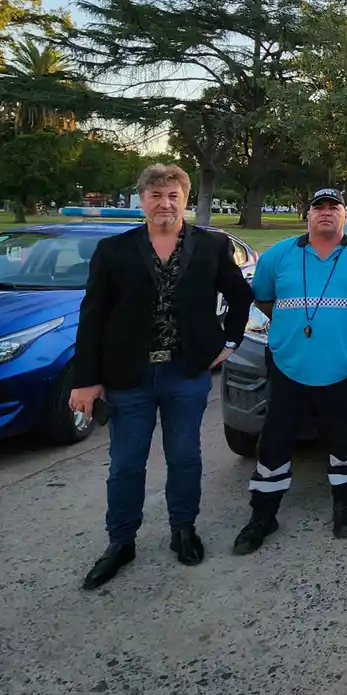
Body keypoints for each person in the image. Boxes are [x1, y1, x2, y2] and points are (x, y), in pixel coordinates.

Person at [72, 163, 253, 590]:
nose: (164, 204)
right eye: (156, 196)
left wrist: (227, 342)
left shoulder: (211, 247)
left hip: (185, 373)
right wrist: (86, 379)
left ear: (184, 201)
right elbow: (92, 317)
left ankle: (183, 530)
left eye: (172, 196)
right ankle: (121, 541)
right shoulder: (114, 252)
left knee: (185, 458)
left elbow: (240, 295)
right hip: (128, 376)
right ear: (142, 201)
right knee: (126, 464)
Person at [232, 189, 347, 555]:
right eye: (318, 208)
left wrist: (344, 327)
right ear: (308, 215)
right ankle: (263, 515)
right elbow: (263, 297)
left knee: (345, 441)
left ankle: (345, 506)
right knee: (275, 441)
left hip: (342, 365)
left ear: (344, 217)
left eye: (334, 208)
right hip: (289, 365)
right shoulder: (279, 256)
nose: (325, 213)